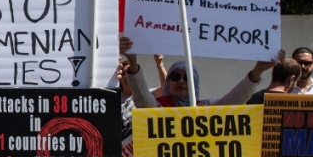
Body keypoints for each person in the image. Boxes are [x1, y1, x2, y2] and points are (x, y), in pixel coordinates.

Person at [119, 36, 282, 107]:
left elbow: (236, 100)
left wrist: (258, 70)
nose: (181, 81)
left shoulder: (204, 108)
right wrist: (133, 62)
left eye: (188, 78)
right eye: (175, 77)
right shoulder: (157, 107)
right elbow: (141, 96)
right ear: (167, 82)